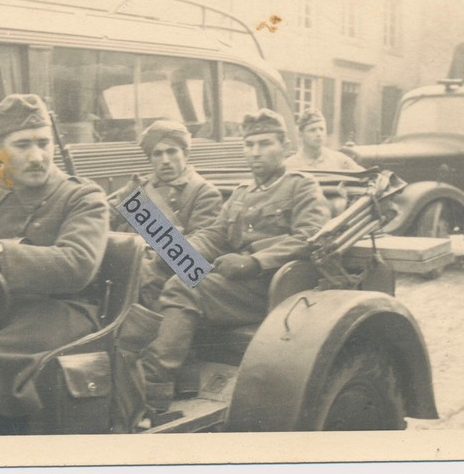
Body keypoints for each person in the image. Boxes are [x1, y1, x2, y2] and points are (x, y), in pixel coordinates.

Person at [140, 108, 332, 411]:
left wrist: (255, 261)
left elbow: (310, 237)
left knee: (185, 286)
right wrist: (178, 252)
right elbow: (215, 235)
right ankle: (182, 373)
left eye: (265, 144)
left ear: (285, 147)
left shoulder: (301, 186)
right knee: (153, 276)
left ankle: (153, 384)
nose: (255, 152)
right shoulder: (242, 193)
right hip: (235, 284)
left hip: (273, 287)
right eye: (249, 144)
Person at [0, 94, 110, 433]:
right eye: (23, 145)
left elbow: (78, 265)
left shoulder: (83, 197)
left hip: (63, 312)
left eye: (43, 143)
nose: (37, 157)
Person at [109, 120, 223, 307]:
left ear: (185, 153)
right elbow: (106, 218)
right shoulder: (137, 188)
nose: (165, 160)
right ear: (150, 158)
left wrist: (147, 259)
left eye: (171, 151)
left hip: (169, 278)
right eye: (157, 154)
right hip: (131, 271)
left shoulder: (204, 192)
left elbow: (195, 256)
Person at [285, 108, 364, 172]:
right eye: (312, 130)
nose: (319, 134)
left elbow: (364, 176)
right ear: (301, 134)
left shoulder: (339, 160)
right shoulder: (290, 165)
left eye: (321, 129)